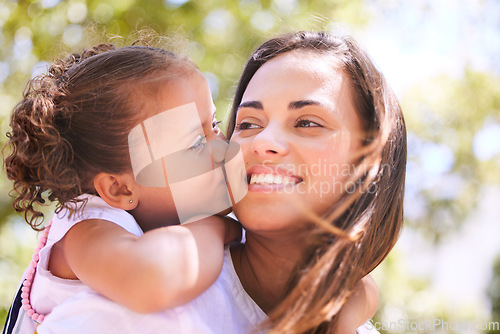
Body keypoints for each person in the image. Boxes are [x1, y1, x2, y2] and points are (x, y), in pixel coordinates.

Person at [36, 31, 406, 334]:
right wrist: (212, 226)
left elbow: (361, 291)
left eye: (307, 122)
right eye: (247, 124)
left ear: (370, 157)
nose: (259, 142)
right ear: (118, 187)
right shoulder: (123, 308)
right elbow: (150, 276)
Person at [2, 42, 244, 334]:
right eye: (195, 144)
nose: (222, 147)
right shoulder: (87, 228)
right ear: (118, 189)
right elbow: (151, 280)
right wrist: (218, 227)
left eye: (215, 124)